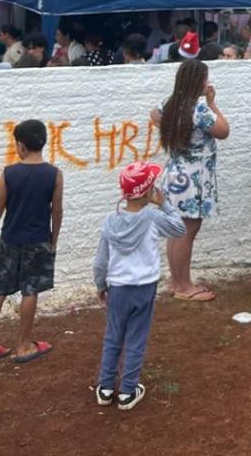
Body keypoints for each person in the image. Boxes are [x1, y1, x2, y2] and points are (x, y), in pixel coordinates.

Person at [0, 120, 63, 366]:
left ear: (20, 146)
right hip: (38, 241)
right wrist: (54, 239)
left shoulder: (9, 173)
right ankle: (23, 345)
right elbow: (57, 211)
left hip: (10, 240)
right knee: (30, 290)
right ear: (43, 142)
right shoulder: (54, 174)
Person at [93, 161, 186, 411]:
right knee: (136, 338)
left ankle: (105, 388)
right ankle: (128, 391)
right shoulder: (154, 217)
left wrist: (101, 285)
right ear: (147, 191)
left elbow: (101, 261)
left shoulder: (111, 221)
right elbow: (179, 228)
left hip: (117, 288)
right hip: (144, 288)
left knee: (113, 336)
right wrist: (164, 203)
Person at [151, 60, 230, 301]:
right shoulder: (199, 110)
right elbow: (224, 131)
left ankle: (178, 281)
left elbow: (154, 115)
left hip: (175, 173)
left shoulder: (171, 104)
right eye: (205, 78)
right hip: (193, 179)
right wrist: (212, 103)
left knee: (177, 231)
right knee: (187, 230)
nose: (207, 83)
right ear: (197, 81)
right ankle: (183, 286)